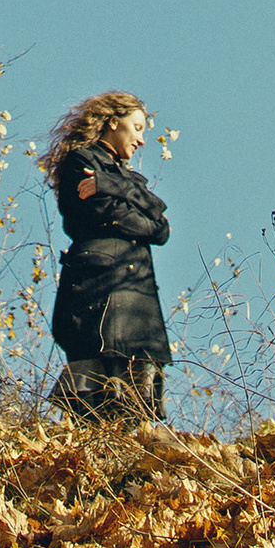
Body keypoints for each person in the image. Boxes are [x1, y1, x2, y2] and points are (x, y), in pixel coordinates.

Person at [42, 89, 171, 420]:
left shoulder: (124, 178)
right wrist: (122, 199)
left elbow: (161, 225)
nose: (142, 140)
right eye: (138, 127)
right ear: (114, 122)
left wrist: (114, 186)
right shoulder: (80, 163)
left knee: (138, 410)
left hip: (137, 306)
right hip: (98, 297)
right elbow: (111, 214)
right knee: (95, 407)